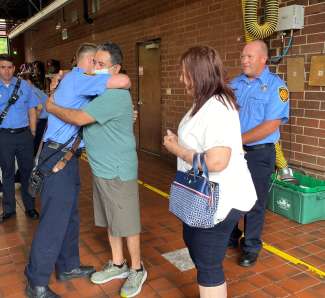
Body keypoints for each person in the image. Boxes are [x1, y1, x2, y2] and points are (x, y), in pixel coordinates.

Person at [24, 43, 131, 298]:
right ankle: (36, 282)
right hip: (57, 158)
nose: (98, 67)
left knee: (69, 216)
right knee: (53, 222)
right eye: (96, 62)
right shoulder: (80, 78)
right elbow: (124, 80)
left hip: (66, 157)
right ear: (87, 62)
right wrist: (106, 74)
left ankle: (68, 266)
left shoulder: (72, 80)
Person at [46, 42, 146, 298]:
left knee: (127, 222)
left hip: (118, 170)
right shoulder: (99, 92)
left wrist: (52, 107)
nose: (94, 69)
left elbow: (79, 118)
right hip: (102, 169)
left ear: (116, 68)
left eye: (100, 64)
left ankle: (136, 269)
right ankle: (118, 264)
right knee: (112, 221)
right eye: (94, 63)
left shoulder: (113, 96)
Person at [163, 46, 257, 298]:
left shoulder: (217, 107)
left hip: (220, 199)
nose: (181, 79)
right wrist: (181, 144)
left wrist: (177, 150)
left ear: (198, 74)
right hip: (203, 196)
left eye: (185, 73)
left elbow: (216, 161)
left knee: (207, 263)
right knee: (194, 244)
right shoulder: (204, 103)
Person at [229, 40, 290, 267]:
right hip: (232, 152)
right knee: (230, 196)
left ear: (263, 59)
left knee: (254, 202)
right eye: (243, 56)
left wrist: (236, 140)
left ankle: (251, 246)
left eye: (249, 57)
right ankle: (231, 235)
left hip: (259, 154)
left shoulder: (277, 87)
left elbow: (270, 125)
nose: (244, 60)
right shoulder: (234, 84)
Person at [0, 54, 39, 222]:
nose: (6, 71)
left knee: (27, 172)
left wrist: (32, 131)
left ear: (14, 69)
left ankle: (30, 207)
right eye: (3, 67)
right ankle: (9, 209)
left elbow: (32, 109)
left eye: (9, 67)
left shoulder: (25, 86)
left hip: (24, 135)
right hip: (4, 136)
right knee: (7, 173)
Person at [19, 72, 48, 154]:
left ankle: (33, 163)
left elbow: (39, 108)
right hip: (42, 119)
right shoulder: (34, 89)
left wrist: (33, 122)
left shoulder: (32, 91)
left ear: (28, 81)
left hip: (41, 120)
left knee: (35, 144)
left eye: (22, 81)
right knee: (36, 144)